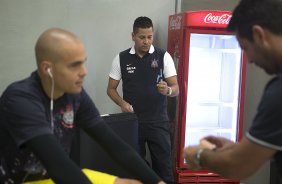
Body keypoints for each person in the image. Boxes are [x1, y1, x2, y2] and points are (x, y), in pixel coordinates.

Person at [0, 28, 166, 184]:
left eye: (83, 63)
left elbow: (115, 145)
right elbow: (58, 165)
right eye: (74, 65)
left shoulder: (73, 94)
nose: (84, 71)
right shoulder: (20, 100)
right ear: (47, 69)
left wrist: (157, 181)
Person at [183, 0, 282, 183]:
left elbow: (237, 166)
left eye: (245, 48)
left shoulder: (278, 92)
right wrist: (236, 148)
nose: (249, 60)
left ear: (259, 35)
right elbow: (258, 151)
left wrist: (199, 155)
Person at [107, 16, 179, 183]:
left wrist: (168, 90)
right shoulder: (121, 58)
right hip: (132, 122)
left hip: (158, 122)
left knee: (165, 170)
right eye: (142, 37)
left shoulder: (163, 56)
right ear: (133, 36)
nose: (146, 41)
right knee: (136, 170)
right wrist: (122, 103)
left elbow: (176, 89)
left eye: (150, 37)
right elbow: (110, 89)